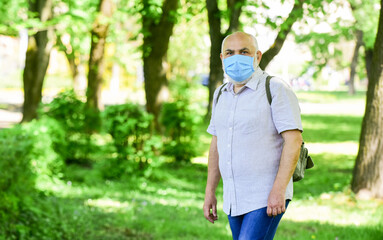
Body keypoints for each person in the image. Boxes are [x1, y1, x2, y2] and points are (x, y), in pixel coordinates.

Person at [203, 31, 303, 240]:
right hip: (233, 197)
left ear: (257, 56)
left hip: (264, 195)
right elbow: (216, 144)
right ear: (222, 58)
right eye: (230, 53)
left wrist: (279, 190)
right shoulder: (220, 93)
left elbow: (293, 141)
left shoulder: (275, 88)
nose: (236, 57)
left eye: (244, 52)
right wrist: (210, 191)